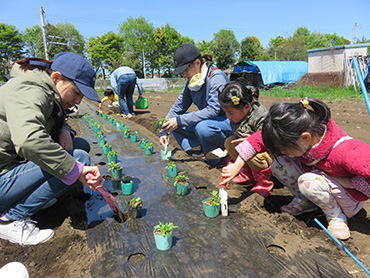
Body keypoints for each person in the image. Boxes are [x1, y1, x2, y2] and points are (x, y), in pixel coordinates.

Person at [221, 97, 369, 240]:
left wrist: (350, 183)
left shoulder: (348, 152)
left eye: (283, 148)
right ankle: (306, 201)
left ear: (305, 138)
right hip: (321, 182)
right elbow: (258, 139)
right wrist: (237, 164)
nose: (282, 151)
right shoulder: (300, 135)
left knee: (307, 181)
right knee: (279, 164)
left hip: (348, 199)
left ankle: (336, 216)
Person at [0, 52, 104, 245]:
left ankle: (34, 198)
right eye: (77, 92)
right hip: (3, 178)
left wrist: (64, 129)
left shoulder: (44, 88)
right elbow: (28, 140)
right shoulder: (29, 89)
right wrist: (76, 169)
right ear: (56, 77)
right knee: (78, 158)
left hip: (12, 167)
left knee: (79, 145)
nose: (78, 101)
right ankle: (10, 218)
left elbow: (46, 118)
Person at [159, 43, 232, 167]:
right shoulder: (192, 82)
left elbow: (214, 109)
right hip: (210, 122)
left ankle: (223, 156)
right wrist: (164, 131)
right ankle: (203, 149)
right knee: (174, 122)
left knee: (202, 127)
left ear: (197, 63)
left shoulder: (215, 77)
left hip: (227, 121)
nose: (184, 74)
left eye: (186, 69)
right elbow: (178, 107)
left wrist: (180, 120)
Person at [218, 81, 273, 197]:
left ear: (247, 107)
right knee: (229, 142)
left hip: (267, 154)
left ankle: (264, 183)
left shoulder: (261, 116)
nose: (228, 117)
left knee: (248, 151)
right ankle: (247, 174)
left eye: (231, 113)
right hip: (248, 150)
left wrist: (250, 141)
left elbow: (268, 139)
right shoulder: (238, 116)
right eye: (226, 113)